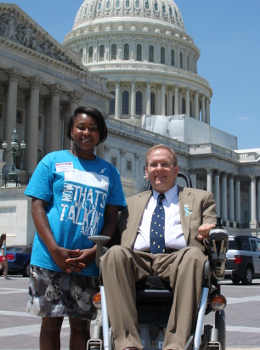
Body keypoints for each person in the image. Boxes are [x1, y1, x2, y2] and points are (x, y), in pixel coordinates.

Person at [24, 106, 126, 350]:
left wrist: (94, 250)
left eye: (93, 128)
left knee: (82, 325)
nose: (86, 133)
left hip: (88, 261)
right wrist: (55, 249)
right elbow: (37, 207)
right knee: (50, 324)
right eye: (81, 127)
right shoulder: (52, 161)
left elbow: (112, 218)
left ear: (101, 134)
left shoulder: (109, 172)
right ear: (71, 130)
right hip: (50, 257)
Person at [101, 144, 217, 350]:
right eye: (153, 165)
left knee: (193, 255)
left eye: (165, 164)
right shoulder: (131, 202)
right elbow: (114, 236)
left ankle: (175, 344)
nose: (159, 169)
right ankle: (128, 344)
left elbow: (211, 227)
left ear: (176, 170)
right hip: (139, 259)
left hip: (178, 259)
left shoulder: (200, 198)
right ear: (146, 172)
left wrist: (210, 231)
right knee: (114, 254)